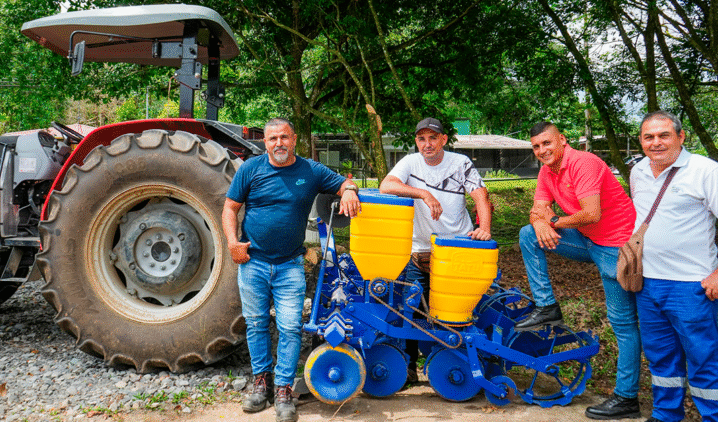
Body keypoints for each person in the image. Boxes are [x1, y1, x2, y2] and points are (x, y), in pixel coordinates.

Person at [222, 117, 360, 422]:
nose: (279, 143)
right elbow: (230, 207)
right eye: (272, 139)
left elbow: (344, 182)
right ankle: (261, 383)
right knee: (256, 324)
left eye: (284, 137)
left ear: (294, 139)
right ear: (265, 143)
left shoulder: (310, 171)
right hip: (253, 262)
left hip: (290, 265)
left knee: (289, 327)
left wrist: (349, 190)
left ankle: (284, 388)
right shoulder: (250, 169)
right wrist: (232, 242)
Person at [515, 121, 641, 420]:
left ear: (562, 140)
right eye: (536, 146)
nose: (542, 150)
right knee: (529, 235)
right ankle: (547, 307)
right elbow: (537, 210)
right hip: (587, 241)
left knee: (623, 324)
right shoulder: (547, 171)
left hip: (617, 247)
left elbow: (591, 213)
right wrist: (539, 222)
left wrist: (551, 221)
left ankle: (627, 397)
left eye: (547, 143)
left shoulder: (583, 162)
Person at [379, 117, 492, 382]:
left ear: (443, 140)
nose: (427, 144)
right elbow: (386, 186)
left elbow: (481, 196)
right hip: (420, 251)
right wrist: (424, 193)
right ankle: (408, 368)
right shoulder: (410, 163)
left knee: (456, 312)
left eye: (433, 138)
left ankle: (455, 365)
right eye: (421, 139)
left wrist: (484, 228)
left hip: (456, 250)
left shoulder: (460, 162)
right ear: (416, 141)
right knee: (412, 310)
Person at [630, 111, 718, 422]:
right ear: (641, 141)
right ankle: (666, 414)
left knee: (704, 357)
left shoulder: (705, 171)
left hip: (692, 284)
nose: (656, 142)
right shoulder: (638, 171)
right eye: (649, 137)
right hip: (647, 282)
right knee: (660, 356)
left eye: (663, 135)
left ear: (680, 137)